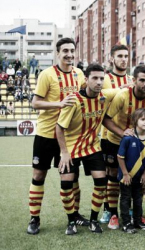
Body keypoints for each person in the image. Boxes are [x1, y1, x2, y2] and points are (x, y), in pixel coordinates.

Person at [26, 37, 86, 235]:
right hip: (45, 135)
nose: (69, 54)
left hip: (69, 137)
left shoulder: (79, 74)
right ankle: (34, 218)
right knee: (38, 176)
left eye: (72, 50)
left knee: (70, 178)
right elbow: (35, 103)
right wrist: (58, 104)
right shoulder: (47, 74)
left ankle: (73, 217)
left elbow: (93, 91)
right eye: (65, 51)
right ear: (57, 53)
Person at [55, 63, 122, 235]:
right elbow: (59, 128)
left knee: (101, 182)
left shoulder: (104, 97)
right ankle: (71, 221)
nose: (99, 82)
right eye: (95, 78)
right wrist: (64, 153)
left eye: (102, 78)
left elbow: (125, 88)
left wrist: (123, 134)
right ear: (86, 79)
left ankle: (93, 220)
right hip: (70, 149)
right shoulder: (73, 100)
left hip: (92, 148)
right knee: (66, 184)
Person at [103, 64, 145, 229]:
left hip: (141, 144)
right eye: (142, 80)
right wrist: (123, 133)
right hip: (116, 139)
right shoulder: (122, 95)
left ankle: (137, 216)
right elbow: (106, 119)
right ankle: (113, 214)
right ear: (133, 80)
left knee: (140, 177)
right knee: (115, 176)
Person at [99, 44, 133, 225]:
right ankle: (109, 210)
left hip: (130, 136)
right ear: (112, 58)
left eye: (126, 56)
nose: (123, 59)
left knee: (131, 173)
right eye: (119, 56)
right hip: (108, 135)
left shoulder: (133, 79)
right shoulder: (104, 79)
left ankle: (129, 209)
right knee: (110, 173)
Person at [118, 108, 145, 233]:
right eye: (143, 119)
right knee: (125, 199)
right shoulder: (128, 137)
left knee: (138, 199)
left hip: (140, 176)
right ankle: (126, 223)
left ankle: (138, 221)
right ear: (135, 121)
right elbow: (120, 157)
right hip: (127, 176)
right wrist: (125, 174)